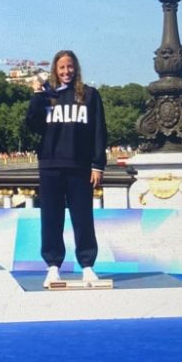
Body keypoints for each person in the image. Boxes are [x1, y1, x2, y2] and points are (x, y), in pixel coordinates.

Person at [25, 50, 108, 288]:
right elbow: (31, 124)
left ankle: (87, 265)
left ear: (76, 68)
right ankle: (53, 266)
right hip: (50, 165)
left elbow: (99, 132)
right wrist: (36, 94)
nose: (66, 72)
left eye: (69, 67)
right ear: (54, 70)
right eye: (61, 68)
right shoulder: (46, 96)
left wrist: (98, 165)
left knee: (83, 217)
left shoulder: (90, 95)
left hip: (80, 165)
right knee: (51, 217)